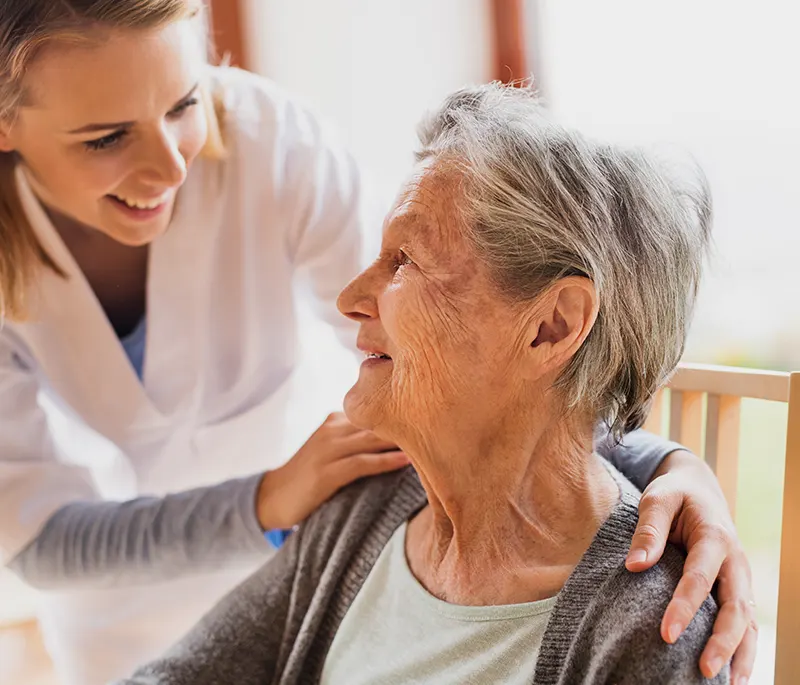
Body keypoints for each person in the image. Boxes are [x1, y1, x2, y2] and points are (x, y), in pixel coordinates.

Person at [0, 2, 754, 684]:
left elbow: (489, 356)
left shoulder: (646, 628)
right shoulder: (360, 522)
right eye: (104, 138)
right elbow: (39, 536)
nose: (171, 163)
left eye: (186, 102)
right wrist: (265, 501)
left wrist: (670, 464)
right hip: (129, 613)